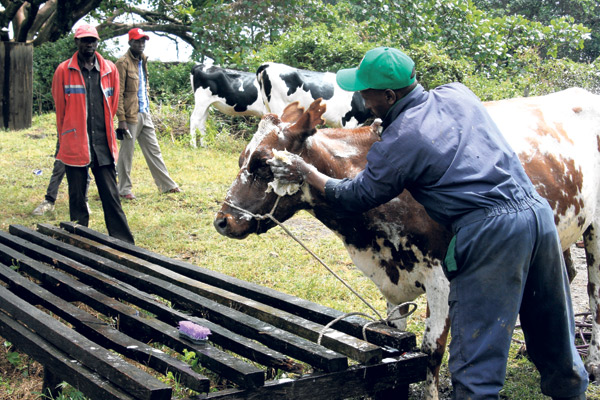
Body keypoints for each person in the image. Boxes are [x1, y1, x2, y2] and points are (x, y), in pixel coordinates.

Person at [268, 47, 588, 400]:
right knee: (553, 335)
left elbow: (354, 196)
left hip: (490, 233)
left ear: (389, 96)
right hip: (537, 215)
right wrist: (389, 125)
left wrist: (306, 171)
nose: (361, 98)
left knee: (475, 362)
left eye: (366, 92)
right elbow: (443, 131)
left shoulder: (402, 140)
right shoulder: (457, 93)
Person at [52, 24, 134, 244]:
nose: (88, 44)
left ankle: (124, 243)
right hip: (76, 142)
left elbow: (113, 102)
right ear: (76, 42)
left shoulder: (109, 69)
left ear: (97, 42)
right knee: (77, 197)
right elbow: (60, 109)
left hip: (103, 143)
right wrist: (64, 139)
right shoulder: (63, 70)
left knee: (111, 196)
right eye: (84, 40)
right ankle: (79, 240)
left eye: (92, 40)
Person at [115, 27, 181, 200]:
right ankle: (124, 189)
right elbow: (118, 93)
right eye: (137, 41)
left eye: (143, 40)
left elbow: (143, 87)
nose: (141, 44)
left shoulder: (142, 60)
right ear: (130, 42)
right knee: (126, 154)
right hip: (130, 115)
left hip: (145, 112)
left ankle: (166, 185)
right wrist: (121, 119)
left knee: (154, 150)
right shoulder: (122, 63)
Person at [32, 139, 91, 216]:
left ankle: (83, 202)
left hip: (84, 139)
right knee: (58, 169)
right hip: (66, 137)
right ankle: (49, 201)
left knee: (84, 171)